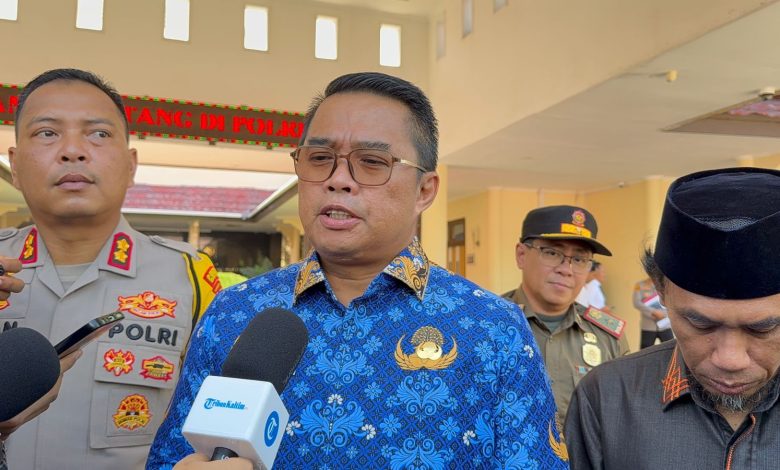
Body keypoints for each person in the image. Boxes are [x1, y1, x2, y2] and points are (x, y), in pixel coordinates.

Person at [147, 72, 568, 469]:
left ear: (424, 190)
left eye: (371, 162)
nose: (338, 180)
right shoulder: (234, 313)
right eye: (319, 158)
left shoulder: (494, 328)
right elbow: (171, 457)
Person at [1, 69, 221, 469]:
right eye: (47, 133)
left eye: (99, 134)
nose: (73, 151)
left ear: (131, 165)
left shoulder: (190, 277)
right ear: (14, 165)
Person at [565, 167, 780, 469]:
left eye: (763, 328)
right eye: (700, 324)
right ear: (661, 291)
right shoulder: (606, 398)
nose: (730, 360)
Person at [503, 205, 629, 423]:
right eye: (552, 253)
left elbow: (621, 418)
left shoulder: (608, 337)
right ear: (521, 255)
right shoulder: (485, 324)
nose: (566, 269)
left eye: (579, 260)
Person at [633, 277, 673, 348]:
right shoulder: (639, 285)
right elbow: (637, 303)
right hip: (648, 326)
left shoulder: (665, 284)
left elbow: (671, 300)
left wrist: (664, 314)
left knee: (671, 348)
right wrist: (653, 312)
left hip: (664, 324)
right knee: (645, 350)